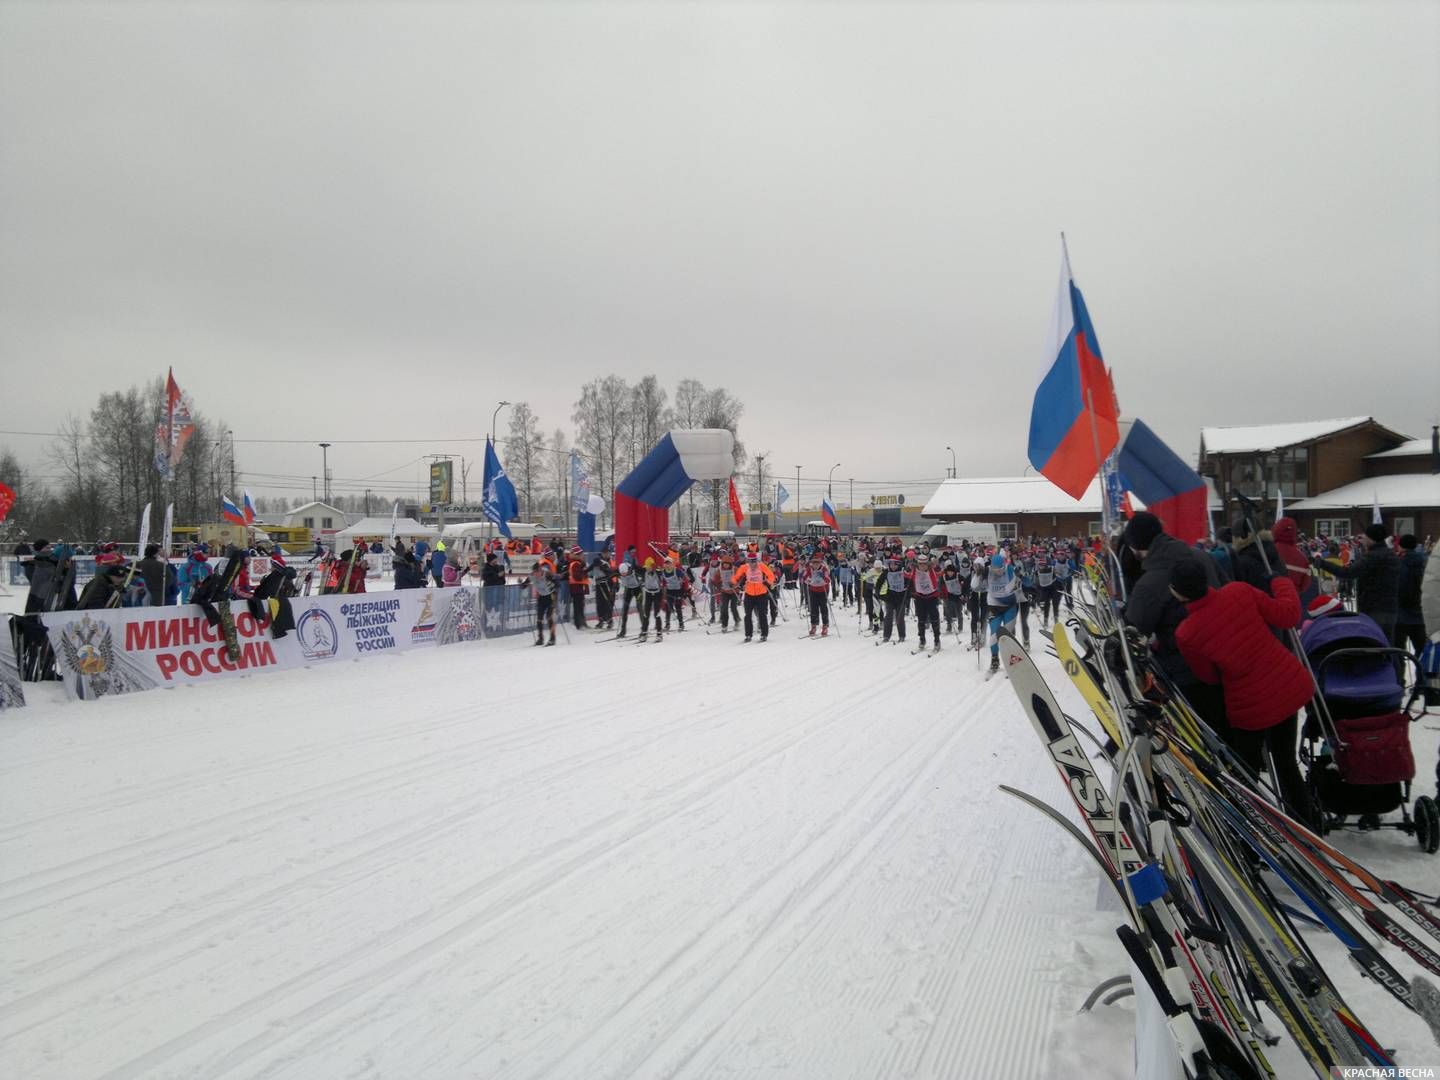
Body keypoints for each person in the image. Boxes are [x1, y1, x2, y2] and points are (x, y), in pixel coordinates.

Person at [1170, 556, 1316, 826]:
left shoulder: (1186, 632)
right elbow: (1288, 615)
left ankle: (1250, 834)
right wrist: (1281, 580)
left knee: (1245, 774)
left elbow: (1208, 676)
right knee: (1285, 762)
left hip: (1250, 706)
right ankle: (1306, 829)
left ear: (1176, 592)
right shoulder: (1239, 591)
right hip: (1286, 686)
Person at [1121, 511, 1225, 727]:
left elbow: (1133, 632)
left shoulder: (1150, 583)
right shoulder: (1202, 556)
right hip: (1226, 660)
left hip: (1187, 674)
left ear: (1136, 546)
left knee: (1206, 738)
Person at [1311, 523, 1400, 643]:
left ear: (1372, 538)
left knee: (1375, 644)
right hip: (1390, 607)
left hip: (1374, 607)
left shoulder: (1372, 556)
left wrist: (1322, 563)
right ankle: (1394, 661)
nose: (1363, 539)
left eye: (1366, 536)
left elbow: (1349, 572)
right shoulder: (1391, 555)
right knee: (1388, 643)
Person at [732, 549, 776, 642]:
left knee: (762, 614)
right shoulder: (744, 567)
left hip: (761, 594)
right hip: (749, 594)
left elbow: (771, 575)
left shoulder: (762, 566)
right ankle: (748, 635)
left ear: (757, 560)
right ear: (748, 561)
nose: (752, 564)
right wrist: (733, 582)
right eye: (750, 561)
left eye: (754, 561)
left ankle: (764, 634)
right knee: (747, 615)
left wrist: (767, 582)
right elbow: (736, 576)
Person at [1394, 534, 1427, 658]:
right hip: (1421, 612)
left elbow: (1401, 587)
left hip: (1401, 613)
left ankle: (1399, 677)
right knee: (1422, 648)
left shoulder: (1400, 563)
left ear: (1401, 546)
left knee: (1398, 650)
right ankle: (1422, 675)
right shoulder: (1424, 561)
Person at [911, 552, 942, 651]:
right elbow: (909, 577)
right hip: (920, 597)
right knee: (921, 620)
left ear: (927, 564)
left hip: (932, 597)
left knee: (934, 619)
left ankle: (937, 640)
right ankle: (922, 639)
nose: (922, 566)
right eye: (920, 564)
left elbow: (938, 575)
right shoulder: (915, 571)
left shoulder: (931, 570)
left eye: (924, 564)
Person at [521, 561, 558, 646]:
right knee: (539, 619)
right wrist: (522, 585)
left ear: (540, 570)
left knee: (549, 617)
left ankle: (552, 638)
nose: (536, 575)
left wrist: (553, 586)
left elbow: (557, 584)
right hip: (541, 598)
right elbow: (525, 584)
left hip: (551, 597)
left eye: (537, 573)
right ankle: (540, 638)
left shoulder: (547, 574)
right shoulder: (532, 576)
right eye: (534, 573)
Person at [879, 555, 908, 644]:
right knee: (888, 617)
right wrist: (879, 594)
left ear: (898, 565)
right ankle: (886, 636)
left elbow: (909, 584)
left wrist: (908, 594)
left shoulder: (903, 572)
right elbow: (879, 583)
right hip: (890, 597)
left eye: (895, 565)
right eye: (891, 564)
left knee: (899, 617)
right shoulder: (886, 572)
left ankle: (902, 635)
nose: (893, 566)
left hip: (901, 597)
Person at [802, 551, 831, 636]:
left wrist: (823, 581)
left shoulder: (824, 569)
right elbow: (803, 577)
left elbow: (828, 579)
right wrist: (808, 580)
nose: (815, 565)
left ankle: (825, 626)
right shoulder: (809, 569)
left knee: (823, 608)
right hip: (813, 590)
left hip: (823, 590)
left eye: (817, 563)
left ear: (820, 563)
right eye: (814, 563)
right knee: (813, 608)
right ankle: (813, 625)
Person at [661, 556, 688, 632]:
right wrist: (663, 592)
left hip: (678, 591)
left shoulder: (677, 570)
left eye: (669, 563)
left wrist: (685, 590)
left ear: (672, 564)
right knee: (668, 608)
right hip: (669, 591)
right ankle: (667, 625)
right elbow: (663, 583)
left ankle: (681, 624)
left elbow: (684, 579)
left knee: (678, 607)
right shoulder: (663, 572)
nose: (667, 565)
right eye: (666, 563)